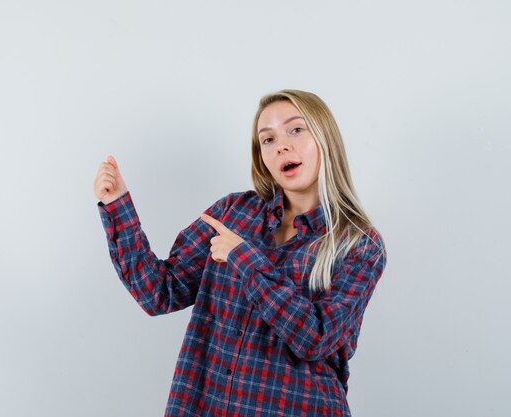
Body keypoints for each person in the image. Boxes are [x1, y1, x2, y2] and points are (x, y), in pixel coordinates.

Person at [94, 89, 387, 417]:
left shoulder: (360, 244)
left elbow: (315, 338)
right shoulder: (232, 213)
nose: (282, 146)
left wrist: (243, 258)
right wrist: (117, 204)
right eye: (268, 140)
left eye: (296, 130)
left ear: (325, 137)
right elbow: (159, 293)